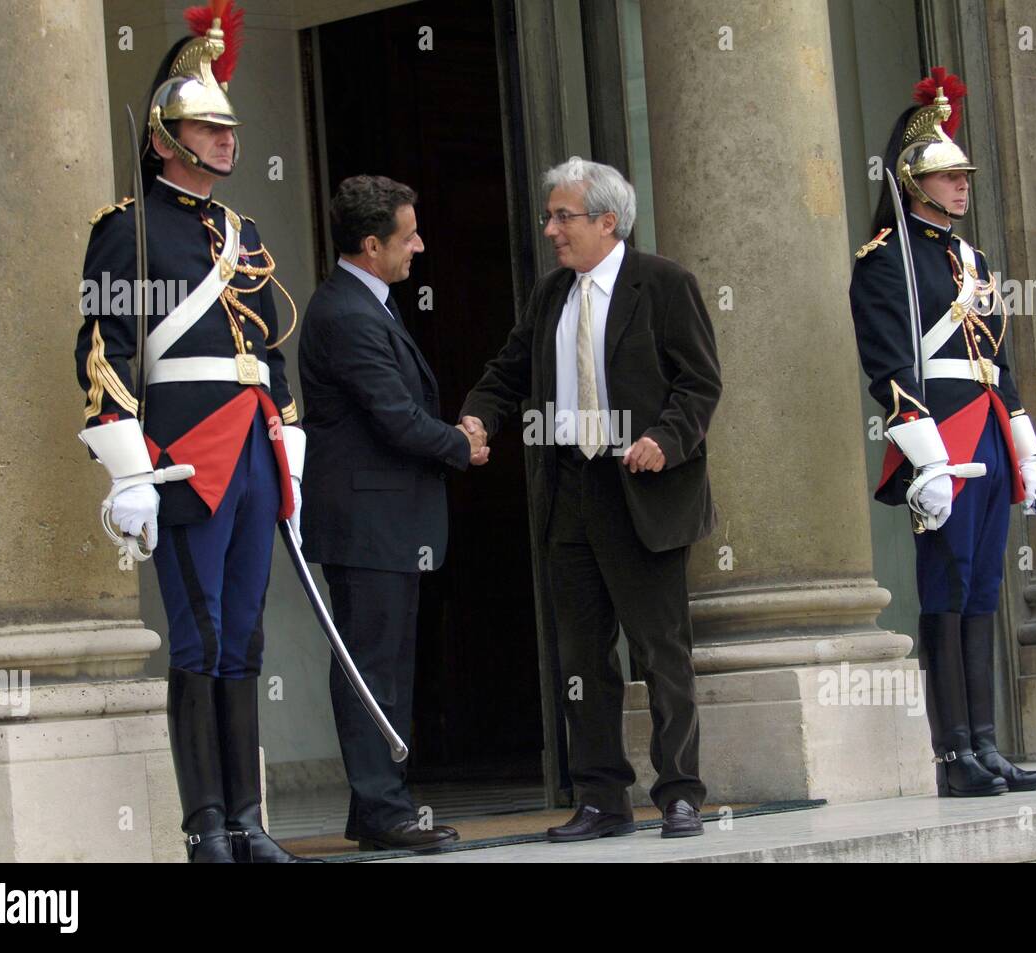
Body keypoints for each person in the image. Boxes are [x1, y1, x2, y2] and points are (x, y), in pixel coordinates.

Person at [74, 2, 316, 861]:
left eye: (227, 127)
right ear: (163, 135)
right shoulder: (127, 229)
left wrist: (288, 438)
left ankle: (249, 822)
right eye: (204, 127)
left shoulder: (242, 234)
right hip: (186, 454)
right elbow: (105, 348)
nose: (223, 139)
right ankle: (204, 824)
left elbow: (269, 345)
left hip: (253, 446)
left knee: (245, 634)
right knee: (201, 635)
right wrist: (129, 466)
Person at [459, 157, 722, 840]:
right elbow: (508, 371)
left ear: (608, 220)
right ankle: (603, 797)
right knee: (582, 657)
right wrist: (477, 420)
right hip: (570, 491)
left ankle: (680, 792)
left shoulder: (664, 285)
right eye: (549, 216)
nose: (551, 228)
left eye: (563, 216)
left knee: (660, 650)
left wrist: (666, 439)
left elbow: (699, 384)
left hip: (642, 487)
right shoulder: (551, 295)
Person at [849, 67, 1036, 797]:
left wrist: (1024, 442)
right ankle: (952, 755)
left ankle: (987, 744)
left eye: (964, 175)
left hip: (989, 431)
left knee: (983, 587)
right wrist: (926, 457)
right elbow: (891, 365)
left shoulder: (973, 260)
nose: (962, 186)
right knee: (947, 584)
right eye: (947, 176)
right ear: (913, 180)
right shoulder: (885, 260)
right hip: (943, 439)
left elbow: (998, 357)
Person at [298, 175, 483, 852]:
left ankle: (376, 804)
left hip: (386, 523)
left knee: (386, 664)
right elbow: (394, 419)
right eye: (409, 236)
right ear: (372, 244)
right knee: (371, 667)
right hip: (366, 523)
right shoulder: (346, 312)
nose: (420, 246)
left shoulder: (367, 301)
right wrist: (459, 443)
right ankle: (382, 808)